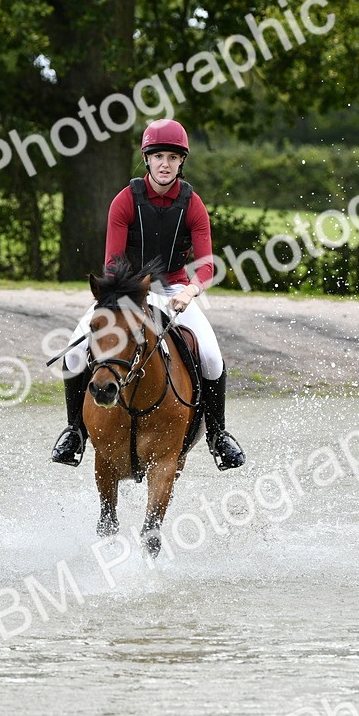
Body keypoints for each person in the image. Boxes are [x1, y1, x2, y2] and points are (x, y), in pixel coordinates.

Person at [50, 118, 246, 471]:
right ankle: (74, 432)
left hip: (173, 289)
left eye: (173, 157)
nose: (165, 164)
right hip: (126, 289)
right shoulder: (124, 201)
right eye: (158, 156)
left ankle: (218, 436)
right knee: (76, 353)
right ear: (147, 159)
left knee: (213, 358)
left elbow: (206, 266)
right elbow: (112, 262)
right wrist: (130, 293)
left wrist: (190, 289)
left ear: (181, 161)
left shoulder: (193, 204)